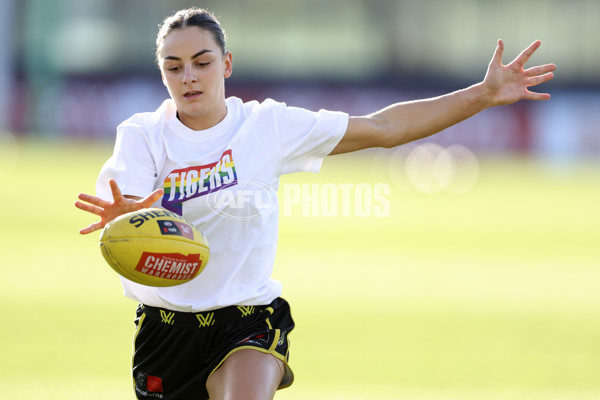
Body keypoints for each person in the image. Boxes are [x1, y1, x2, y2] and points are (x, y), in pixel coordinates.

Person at [74, 7, 556, 400]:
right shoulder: (142, 135)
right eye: (173, 67)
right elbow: (132, 205)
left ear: (227, 64)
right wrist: (131, 218)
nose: (189, 77)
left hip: (247, 319)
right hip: (164, 329)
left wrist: (484, 94)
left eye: (202, 62)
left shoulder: (267, 127)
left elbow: (385, 129)